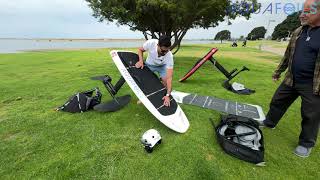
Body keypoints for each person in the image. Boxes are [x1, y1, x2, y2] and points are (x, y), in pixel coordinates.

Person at [261, 0, 320, 158]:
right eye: (303, 11)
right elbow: (288, 55)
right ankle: (269, 122)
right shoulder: (299, 31)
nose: (302, 14)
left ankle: (306, 143)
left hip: (313, 84)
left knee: (311, 114)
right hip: (291, 79)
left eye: (308, 11)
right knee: (277, 101)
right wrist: (278, 71)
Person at [135, 35, 174, 107]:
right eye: (163, 51)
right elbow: (140, 50)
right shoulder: (151, 43)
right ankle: (143, 98)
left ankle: (166, 96)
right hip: (150, 65)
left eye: (167, 50)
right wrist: (140, 61)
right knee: (145, 81)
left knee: (166, 82)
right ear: (158, 45)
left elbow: (169, 78)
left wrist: (168, 95)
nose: (164, 53)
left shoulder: (169, 56)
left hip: (162, 67)